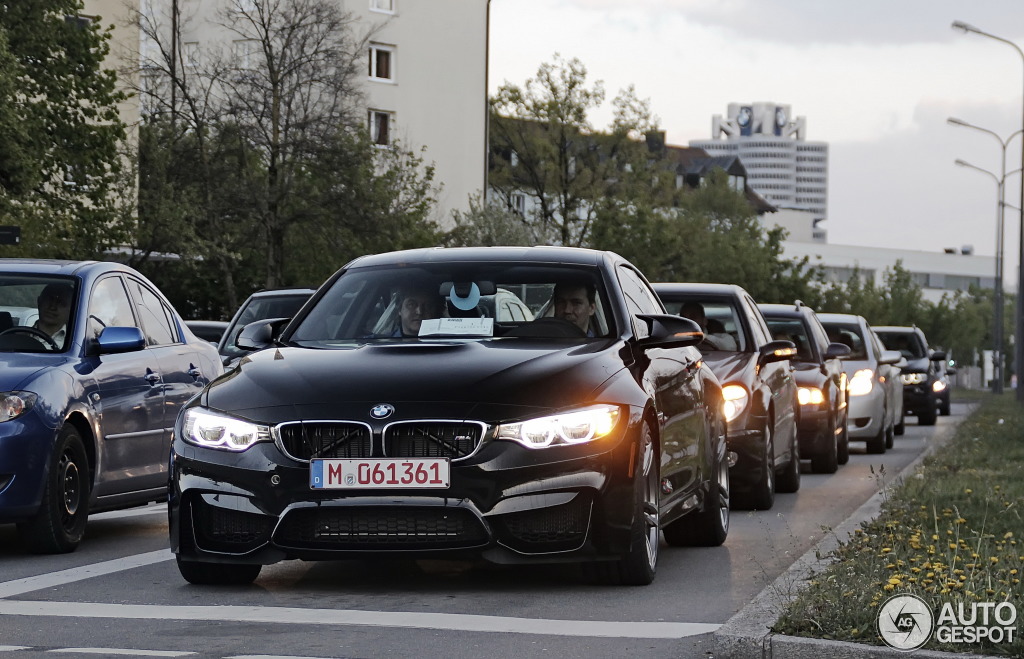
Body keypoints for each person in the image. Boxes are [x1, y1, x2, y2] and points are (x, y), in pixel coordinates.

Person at [33, 282, 74, 348]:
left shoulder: (77, 343)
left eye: (61, 303)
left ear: (72, 310)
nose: (52, 307)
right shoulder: (18, 338)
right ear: (39, 302)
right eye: (49, 299)